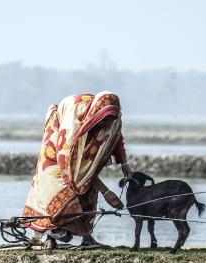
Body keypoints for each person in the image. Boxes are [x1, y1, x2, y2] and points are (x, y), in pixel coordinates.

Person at [22, 92, 132, 248]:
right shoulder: (73, 124)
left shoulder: (110, 118)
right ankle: (49, 237)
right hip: (58, 148)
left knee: (88, 191)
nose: (107, 125)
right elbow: (74, 171)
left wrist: (124, 163)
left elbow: (116, 135)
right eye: (105, 121)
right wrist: (106, 192)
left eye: (111, 121)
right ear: (96, 115)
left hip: (82, 141)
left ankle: (87, 237)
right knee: (54, 189)